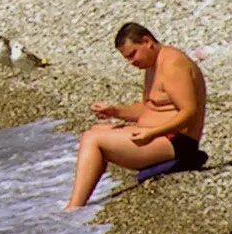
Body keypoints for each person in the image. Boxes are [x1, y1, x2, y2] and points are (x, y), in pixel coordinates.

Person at [67, 23, 208, 210]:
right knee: (96, 130)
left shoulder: (173, 64)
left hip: (178, 143)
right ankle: (81, 201)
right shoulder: (153, 64)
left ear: (147, 41)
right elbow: (151, 108)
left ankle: (73, 208)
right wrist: (115, 111)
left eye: (133, 54)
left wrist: (152, 134)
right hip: (159, 136)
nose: (131, 62)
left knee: (92, 139)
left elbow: (189, 111)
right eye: (127, 59)